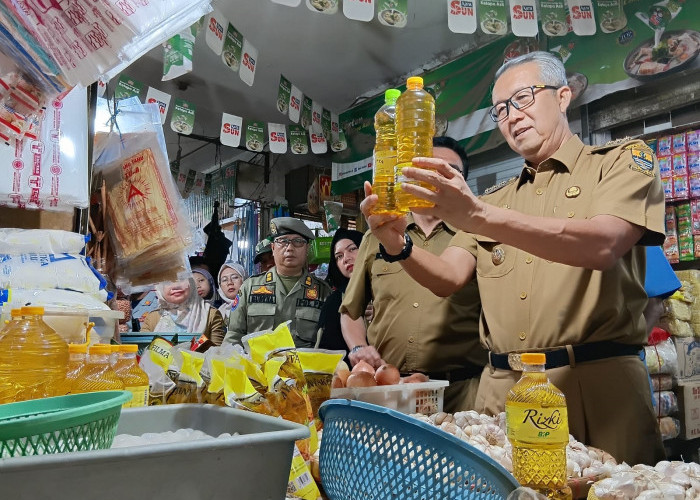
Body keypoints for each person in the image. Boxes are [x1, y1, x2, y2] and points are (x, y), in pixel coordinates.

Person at [360, 51, 665, 465]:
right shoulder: (494, 199)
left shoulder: (619, 163)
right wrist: (398, 245)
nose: (512, 116)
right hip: (503, 390)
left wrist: (479, 216)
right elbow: (448, 277)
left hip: (597, 386)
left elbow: (603, 245)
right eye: (500, 109)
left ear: (562, 96)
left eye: (523, 98)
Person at [340, 137, 486, 413]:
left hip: (462, 393)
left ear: (462, 181)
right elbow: (350, 310)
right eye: (426, 168)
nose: (434, 177)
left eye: (447, 170)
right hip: (391, 392)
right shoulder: (378, 235)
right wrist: (358, 346)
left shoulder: (476, 235)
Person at [224, 217, 332, 348]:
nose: (290, 248)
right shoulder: (250, 287)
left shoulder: (323, 292)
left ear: (307, 249)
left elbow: (328, 343)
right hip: (258, 367)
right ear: (273, 248)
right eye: (283, 241)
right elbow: (233, 336)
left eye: (298, 242)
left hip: (304, 367)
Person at [316, 228, 364, 362]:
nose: (346, 259)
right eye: (339, 256)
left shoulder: (387, 289)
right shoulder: (334, 303)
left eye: (352, 249)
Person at [140, 276, 226, 350]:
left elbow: (218, 354)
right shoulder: (152, 318)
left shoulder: (210, 314)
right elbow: (141, 353)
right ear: (159, 288)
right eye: (168, 282)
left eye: (181, 279)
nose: (176, 286)